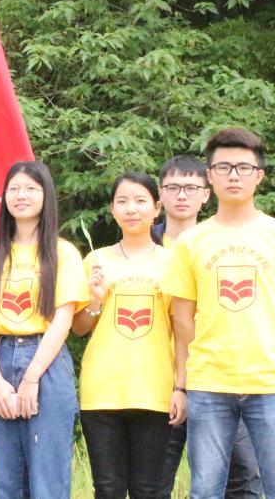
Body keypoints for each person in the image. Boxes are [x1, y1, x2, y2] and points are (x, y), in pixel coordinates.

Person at [162, 128, 275, 499]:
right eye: (224, 167)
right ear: (210, 176)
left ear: (259, 175)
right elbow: (182, 319)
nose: (234, 175)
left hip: (271, 383)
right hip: (208, 383)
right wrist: (183, 382)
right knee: (205, 489)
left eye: (244, 167)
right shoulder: (191, 242)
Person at [0, 161, 88, 499]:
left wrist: (32, 377)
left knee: (47, 478)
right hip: (2, 357)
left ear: (45, 195)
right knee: (4, 478)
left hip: (47, 361)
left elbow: (63, 319)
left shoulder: (63, 253)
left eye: (30, 189)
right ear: (4, 197)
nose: (21, 195)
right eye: (14, 189)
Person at [154, 155, 262, 499]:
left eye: (190, 187)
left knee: (243, 476)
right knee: (155, 483)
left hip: (221, 379)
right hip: (157, 382)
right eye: (173, 187)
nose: (181, 195)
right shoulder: (140, 246)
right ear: (160, 194)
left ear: (206, 194)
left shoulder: (227, 243)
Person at [73, 172, 184, 499]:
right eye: (122, 201)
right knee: (107, 489)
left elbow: (182, 329)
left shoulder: (174, 262)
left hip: (156, 389)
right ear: (112, 209)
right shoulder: (96, 260)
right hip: (102, 390)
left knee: (148, 490)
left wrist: (181, 387)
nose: (131, 209)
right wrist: (95, 301)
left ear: (157, 208)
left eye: (140, 201)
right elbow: (79, 327)